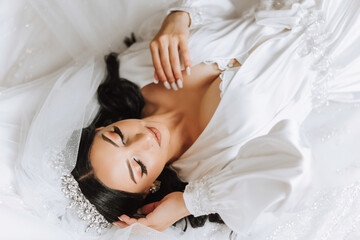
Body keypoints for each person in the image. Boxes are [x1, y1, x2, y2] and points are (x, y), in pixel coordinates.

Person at [69, 0, 360, 235]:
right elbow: (294, 168)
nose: (143, 139)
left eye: (118, 136)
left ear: (105, 125)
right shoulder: (210, 173)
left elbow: (229, 9)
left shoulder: (135, 69)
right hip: (348, 47)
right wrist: (190, 202)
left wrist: (181, 15)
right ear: (150, 189)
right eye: (138, 165)